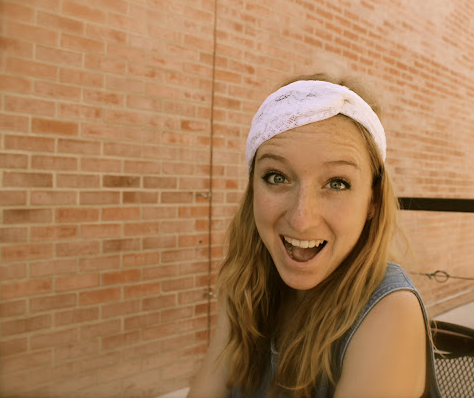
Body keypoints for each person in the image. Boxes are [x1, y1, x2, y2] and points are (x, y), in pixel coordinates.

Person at [188, 74, 441, 398]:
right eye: (277, 177)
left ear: (372, 201)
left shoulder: (390, 311)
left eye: (336, 183)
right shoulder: (246, 284)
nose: (301, 219)